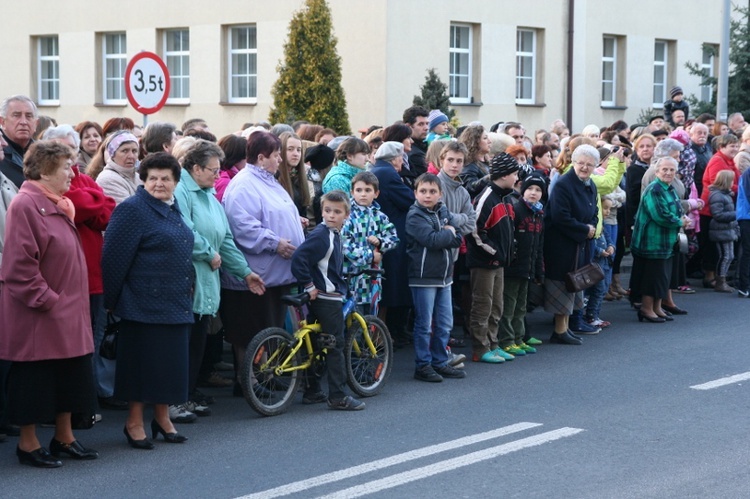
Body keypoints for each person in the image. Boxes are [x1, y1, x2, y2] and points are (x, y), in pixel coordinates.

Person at [0, 142, 98, 467]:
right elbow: (19, 267)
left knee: (69, 378)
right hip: (41, 315)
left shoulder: (58, 203)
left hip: (68, 313)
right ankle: (28, 445)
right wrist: (49, 301)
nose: (73, 173)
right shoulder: (26, 204)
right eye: (65, 168)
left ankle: (64, 437)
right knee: (35, 382)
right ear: (44, 171)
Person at [102, 152, 194, 449]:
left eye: (165, 178)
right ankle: (134, 422)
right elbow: (113, 261)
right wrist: (113, 302)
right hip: (142, 304)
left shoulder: (173, 207)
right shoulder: (132, 209)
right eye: (152, 178)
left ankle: (163, 418)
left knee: (168, 365)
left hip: (175, 302)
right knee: (141, 367)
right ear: (143, 180)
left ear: (176, 182)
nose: (158, 183)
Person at [173, 140, 266, 420]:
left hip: (206, 281)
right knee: (183, 346)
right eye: (213, 169)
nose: (218, 175)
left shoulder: (209, 195)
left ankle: (187, 396)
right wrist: (207, 251)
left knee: (197, 344)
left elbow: (225, 239)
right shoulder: (181, 191)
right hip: (187, 279)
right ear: (195, 167)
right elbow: (183, 229)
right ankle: (175, 401)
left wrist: (245, 271)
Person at [42, 125, 121, 412]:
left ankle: (89, 398)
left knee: (94, 339)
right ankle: (75, 404)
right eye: (61, 151)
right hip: (68, 278)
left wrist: (93, 202)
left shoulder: (84, 179)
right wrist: (94, 202)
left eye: (71, 151)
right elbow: (76, 206)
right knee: (70, 343)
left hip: (94, 276)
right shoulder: (56, 184)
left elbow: (108, 213)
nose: (69, 158)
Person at [221, 131, 305, 394]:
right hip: (256, 274)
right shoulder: (244, 184)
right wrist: (275, 242)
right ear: (261, 157)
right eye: (276, 154)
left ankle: (264, 373)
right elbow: (242, 226)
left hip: (276, 273)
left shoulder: (267, 180)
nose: (281, 159)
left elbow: (275, 212)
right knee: (249, 330)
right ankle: (248, 381)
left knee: (269, 326)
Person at [290, 190, 366, 410]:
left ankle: (313, 391)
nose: (331, 215)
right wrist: (309, 285)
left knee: (316, 343)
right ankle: (338, 396)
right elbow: (299, 259)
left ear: (346, 215)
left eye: (337, 211)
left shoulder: (332, 234)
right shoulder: (323, 236)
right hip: (326, 298)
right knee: (336, 345)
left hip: (323, 296)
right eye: (327, 210)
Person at [406, 173, 464, 382]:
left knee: (445, 323)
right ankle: (423, 365)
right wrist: (447, 232)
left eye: (432, 192)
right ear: (416, 193)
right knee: (424, 324)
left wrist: (448, 233)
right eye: (423, 191)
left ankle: (440, 361)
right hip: (423, 277)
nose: (427, 196)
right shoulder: (414, 215)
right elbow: (431, 240)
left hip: (444, 276)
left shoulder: (443, 211)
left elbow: (458, 237)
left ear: (440, 194)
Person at [543, 145, 600, 345]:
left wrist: (591, 226)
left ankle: (565, 328)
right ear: (573, 163)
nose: (584, 167)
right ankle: (559, 330)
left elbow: (594, 211)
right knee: (563, 283)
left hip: (579, 243)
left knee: (574, 284)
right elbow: (560, 217)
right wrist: (585, 230)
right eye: (581, 163)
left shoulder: (590, 184)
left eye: (589, 164)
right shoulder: (563, 184)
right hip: (561, 244)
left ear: (596, 166)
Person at [466, 153, 519, 362]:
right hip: (484, 263)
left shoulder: (506, 197)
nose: (516, 178)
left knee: (496, 306)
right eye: (514, 173)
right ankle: (480, 348)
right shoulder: (487, 197)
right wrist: (495, 252)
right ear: (504, 175)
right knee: (482, 305)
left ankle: (493, 343)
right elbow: (475, 232)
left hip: (499, 263)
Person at [631, 157, 687, 322]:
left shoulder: (669, 188)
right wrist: (680, 221)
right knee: (652, 276)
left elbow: (676, 209)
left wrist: (683, 218)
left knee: (662, 276)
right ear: (656, 171)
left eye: (672, 170)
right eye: (665, 169)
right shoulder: (654, 189)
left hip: (666, 241)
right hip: (652, 241)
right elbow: (660, 215)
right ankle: (646, 309)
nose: (668, 173)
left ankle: (657, 307)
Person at [370, 141, 415, 346]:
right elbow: (409, 199)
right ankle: (383, 337)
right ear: (395, 158)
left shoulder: (377, 170)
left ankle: (388, 333)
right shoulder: (388, 174)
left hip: (382, 235)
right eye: (401, 157)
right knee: (389, 289)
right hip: (391, 235)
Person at [499, 173, 546, 356]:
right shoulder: (516, 210)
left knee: (521, 307)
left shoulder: (539, 214)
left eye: (538, 190)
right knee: (509, 307)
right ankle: (506, 340)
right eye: (530, 189)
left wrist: (538, 270)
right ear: (522, 190)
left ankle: (519, 338)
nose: (533, 193)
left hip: (528, 268)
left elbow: (539, 246)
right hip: (513, 268)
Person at [341, 171, 399, 314]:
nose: (363, 194)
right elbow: (344, 244)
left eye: (368, 190)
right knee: (354, 318)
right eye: (359, 190)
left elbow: (393, 238)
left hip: (373, 279)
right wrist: (369, 256)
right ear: (352, 192)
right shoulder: (347, 216)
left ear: (376, 193)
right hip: (352, 277)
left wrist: (380, 242)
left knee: (370, 319)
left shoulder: (379, 216)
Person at [699, 134, 741, 288]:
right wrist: (742, 189)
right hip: (712, 209)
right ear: (721, 147)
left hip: (722, 206)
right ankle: (710, 277)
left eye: (736, 146)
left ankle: (718, 276)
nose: (735, 149)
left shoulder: (729, 161)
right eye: (732, 146)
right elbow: (718, 183)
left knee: (721, 248)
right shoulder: (718, 160)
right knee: (713, 247)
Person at [584, 197, 615, 326]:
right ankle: (591, 316)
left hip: (604, 263)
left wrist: (611, 247)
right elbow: (591, 243)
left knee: (602, 289)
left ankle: (595, 314)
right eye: (605, 208)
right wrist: (599, 251)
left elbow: (609, 238)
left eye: (610, 209)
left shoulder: (603, 225)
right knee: (598, 289)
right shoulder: (594, 225)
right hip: (595, 263)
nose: (608, 211)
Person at [708, 170, 739, 293]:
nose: (733, 183)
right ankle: (720, 281)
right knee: (725, 256)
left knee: (729, 256)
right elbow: (718, 215)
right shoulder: (717, 195)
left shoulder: (725, 195)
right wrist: (737, 214)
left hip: (727, 229)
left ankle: (722, 280)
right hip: (721, 230)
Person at [0, 95, 38, 189]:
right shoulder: (1, 154)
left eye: (29, 116)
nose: (23, 122)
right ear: (2, 122)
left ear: (36, 124)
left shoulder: (44, 154)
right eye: (16, 115)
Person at [95, 130, 141, 205]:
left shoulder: (138, 177)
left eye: (134, 151)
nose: (131, 156)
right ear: (113, 154)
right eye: (125, 151)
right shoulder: (108, 179)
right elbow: (130, 210)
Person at [277, 132, 312, 219]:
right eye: (290, 149)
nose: (296, 154)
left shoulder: (298, 177)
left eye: (299, 150)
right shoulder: (274, 179)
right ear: (280, 151)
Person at [459, 124, 493, 199]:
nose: (489, 141)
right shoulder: (469, 164)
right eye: (485, 138)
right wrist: (489, 178)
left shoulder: (488, 163)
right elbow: (469, 187)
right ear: (475, 142)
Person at [215, 134, 247, 202]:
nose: (249, 162)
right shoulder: (225, 183)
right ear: (236, 158)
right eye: (246, 158)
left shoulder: (227, 176)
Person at [403, 105, 430, 176]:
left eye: (427, 123)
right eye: (421, 124)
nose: (426, 128)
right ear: (408, 126)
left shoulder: (423, 146)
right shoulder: (413, 154)